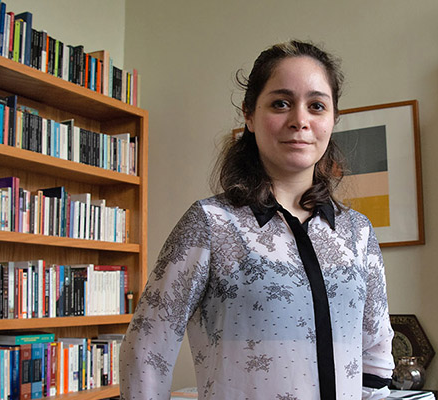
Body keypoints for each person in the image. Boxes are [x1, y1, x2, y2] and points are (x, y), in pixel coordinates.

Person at [119, 40, 394, 400]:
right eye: (281, 103)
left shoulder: (357, 232)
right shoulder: (210, 224)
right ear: (249, 115)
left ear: (333, 119)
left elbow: (375, 353)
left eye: (316, 106)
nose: (300, 120)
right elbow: (146, 350)